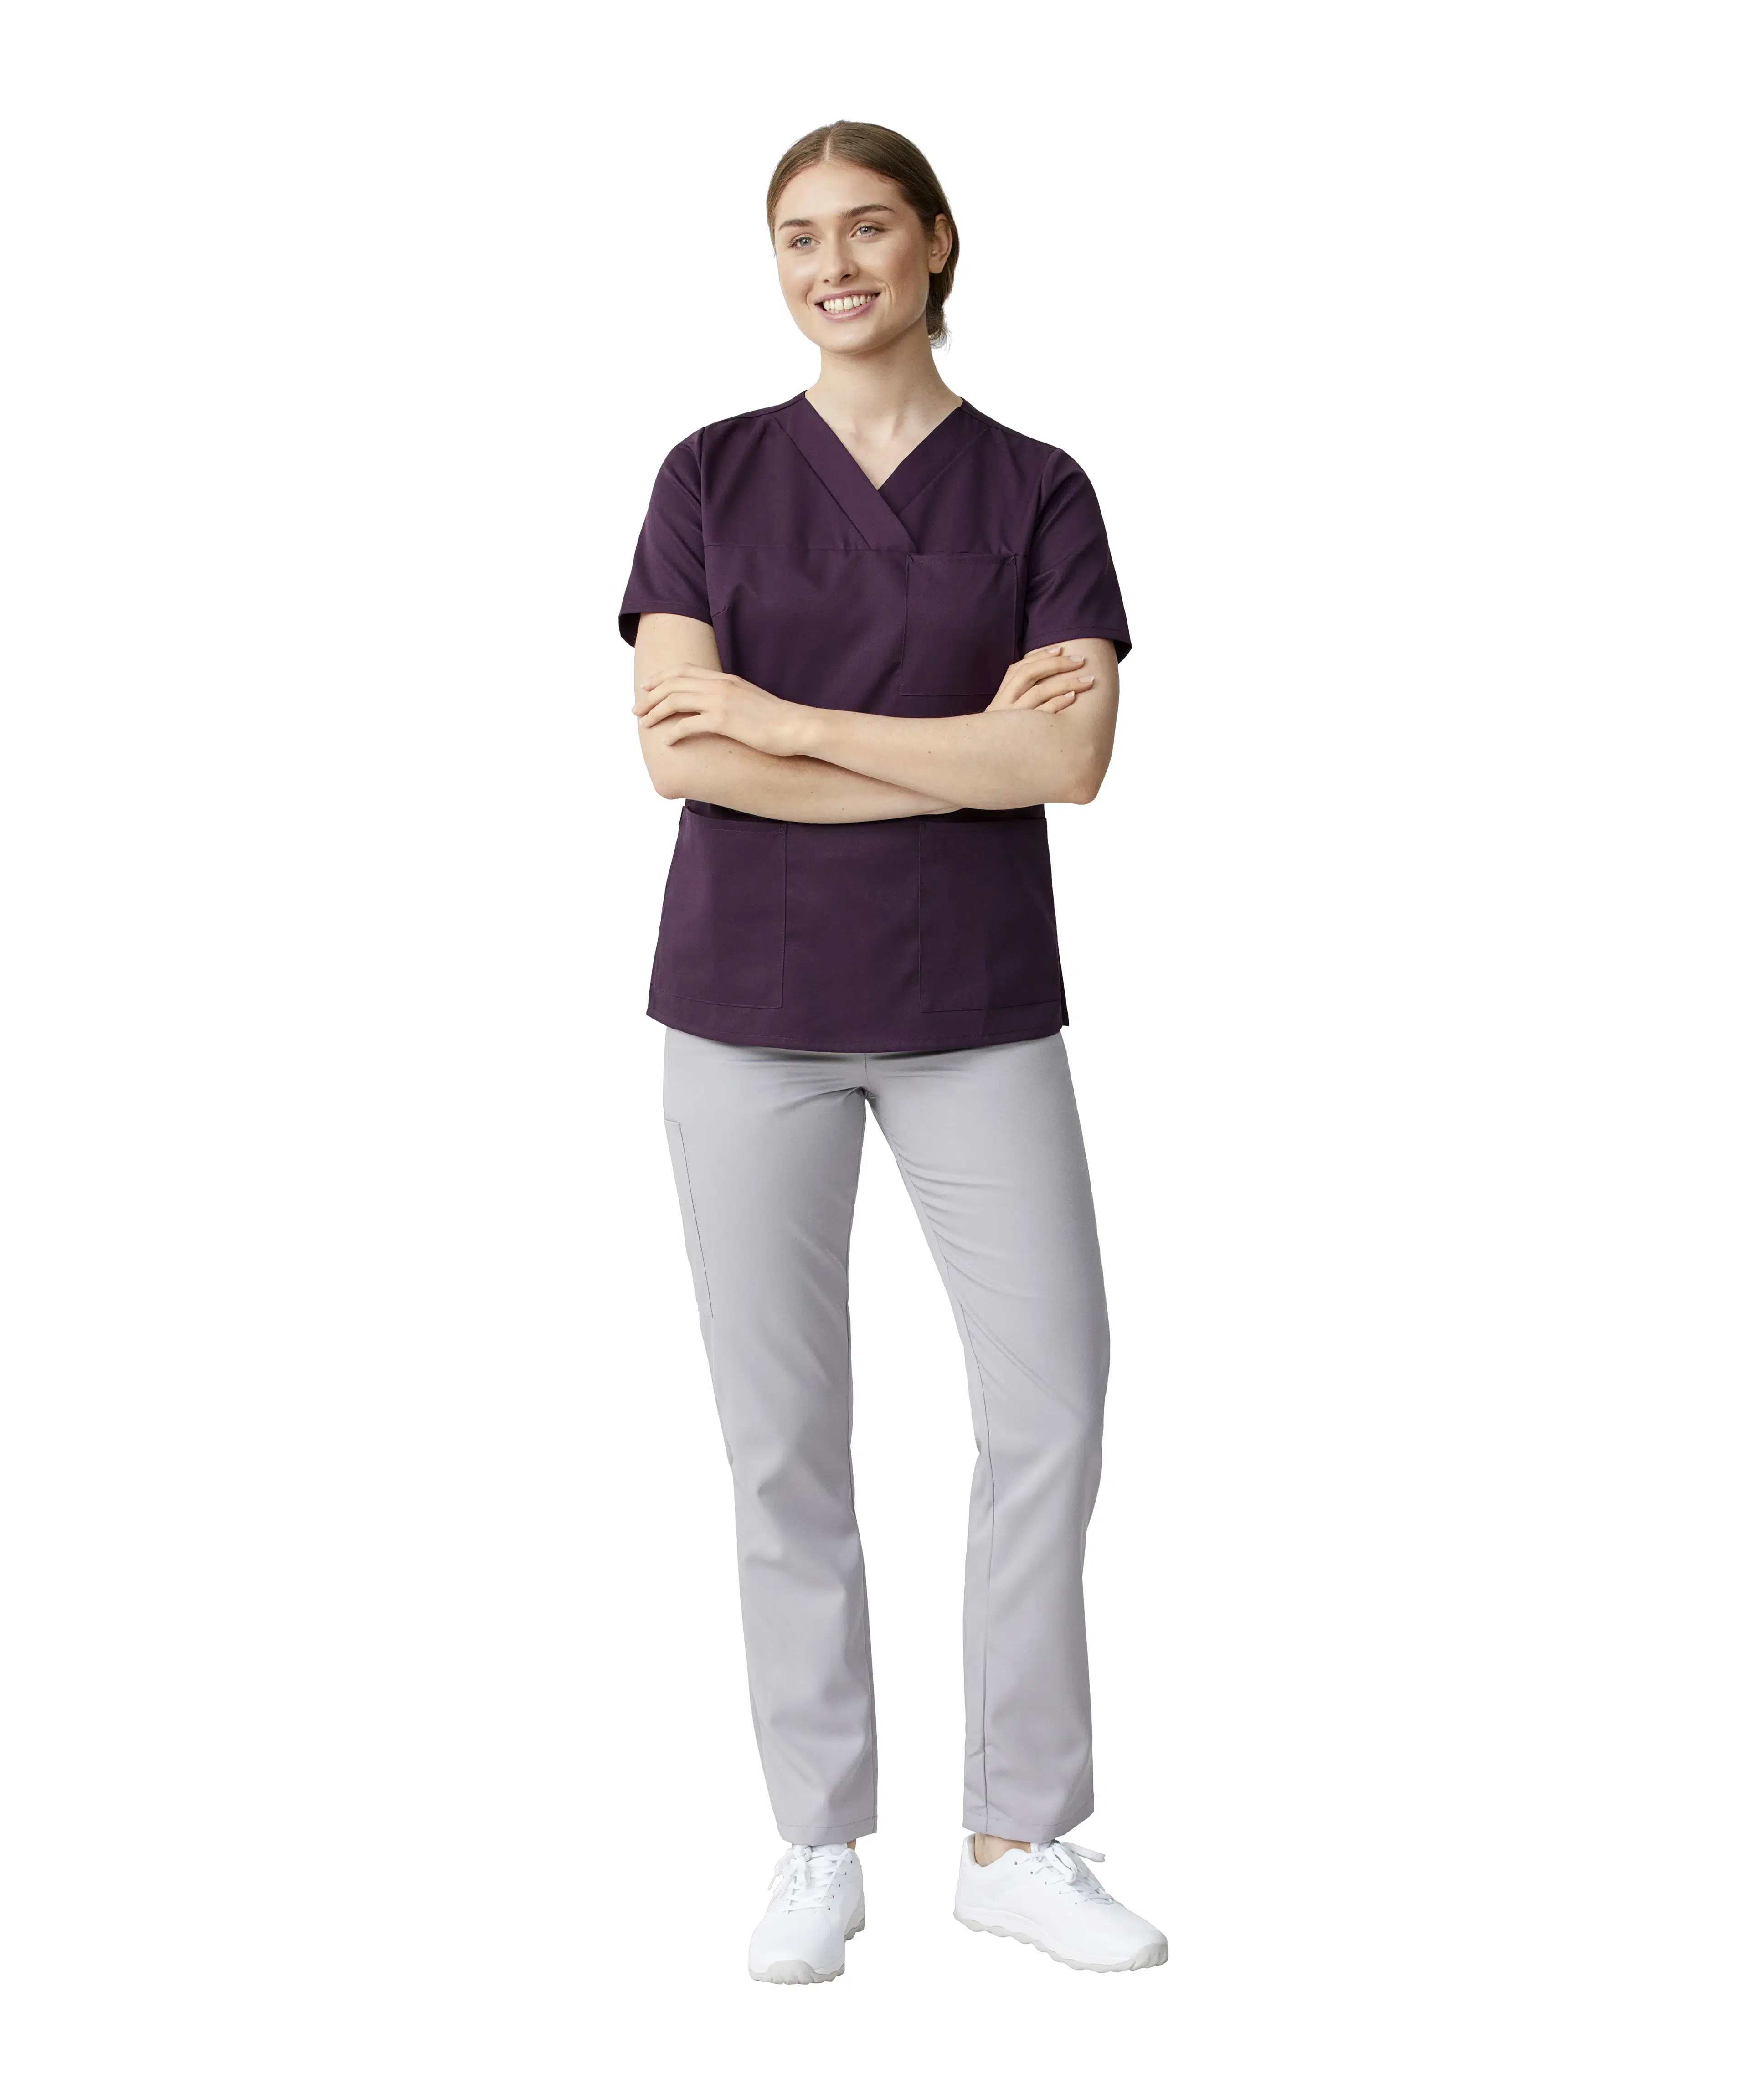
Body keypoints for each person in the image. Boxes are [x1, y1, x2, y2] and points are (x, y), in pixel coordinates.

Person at [620, 121, 1167, 1983]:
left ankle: (1019, 1835)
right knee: (783, 1437)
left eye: (867, 228)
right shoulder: (707, 476)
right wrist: (948, 756)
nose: (833, 264)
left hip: (974, 1005)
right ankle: (815, 1840)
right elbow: (675, 753)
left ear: (936, 242)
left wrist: (787, 724)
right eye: (799, 236)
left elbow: (1066, 762)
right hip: (744, 1012)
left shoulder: (1037, 490)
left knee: (1053, 1402)